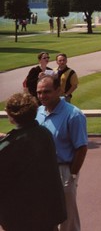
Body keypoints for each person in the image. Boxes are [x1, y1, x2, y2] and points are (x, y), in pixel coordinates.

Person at [0, 93, 67, 230]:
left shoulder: (9, 146)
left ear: (12, 116)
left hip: (21, 215)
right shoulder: (44, 134)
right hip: (49, 209)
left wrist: (7, 141)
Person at [36, 75, 88, 231]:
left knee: (67, 218)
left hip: (63, 170)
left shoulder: (74, 115)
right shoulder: (38, 112)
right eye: (39, 92)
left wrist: (72, 175)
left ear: (58, 90)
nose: (42, 96)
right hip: (42, 171)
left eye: (46, 92)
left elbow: (81, 148)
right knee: (45, 215)